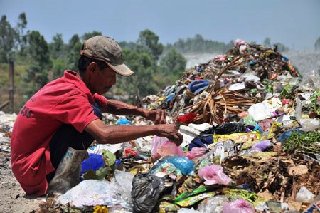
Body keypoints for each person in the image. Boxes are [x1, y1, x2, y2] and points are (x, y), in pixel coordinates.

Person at [11, 35, 182, 196]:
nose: (114, 82)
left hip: (28, 165)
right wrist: (156, 129)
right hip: (33, 171)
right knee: (94, 116)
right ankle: (59, 185)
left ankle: (63, 177)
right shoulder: (71, 95)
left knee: (96, 110)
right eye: (112, 74)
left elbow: (107, 104)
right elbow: (104, 134)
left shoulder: (72, 85)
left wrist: (143, 112)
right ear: (93, 68)